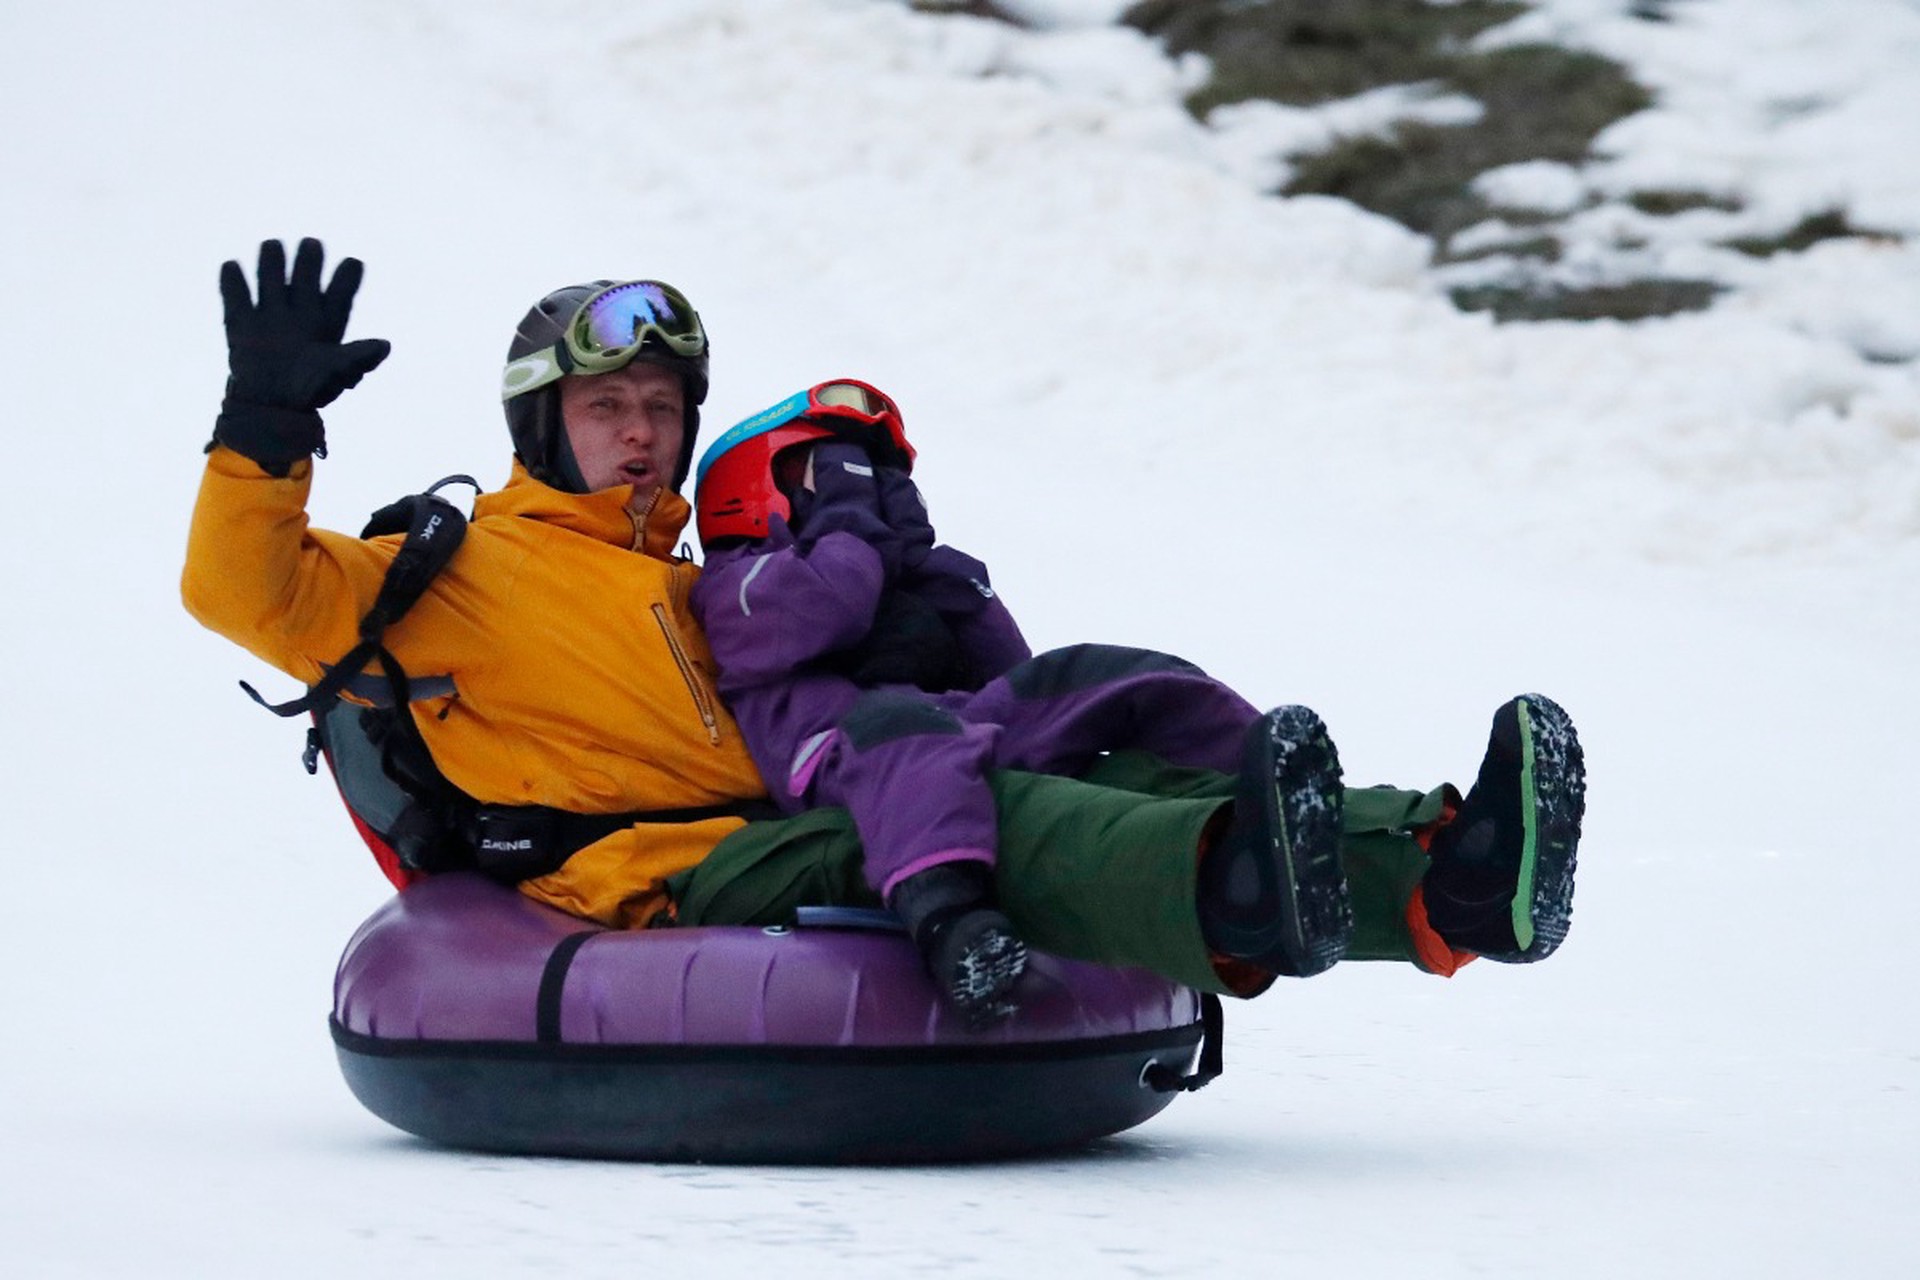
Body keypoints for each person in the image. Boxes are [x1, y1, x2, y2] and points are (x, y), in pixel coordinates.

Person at [183, 238, 1585, 1021]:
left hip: (796, 808)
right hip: (669, 867)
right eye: (609, 410)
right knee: (1010, 821)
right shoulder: (462, 566)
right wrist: (264, 431)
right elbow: (246, 596)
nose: (640, 435)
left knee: (1065, 766)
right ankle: (1232, 888)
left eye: (662, 411)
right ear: (543, 424)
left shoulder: (691, 578)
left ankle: (1443, 873)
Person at [688, 380, 1363, 1018]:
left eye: (879, 476)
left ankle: (1266, 786)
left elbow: (1007, 665)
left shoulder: (884, 568)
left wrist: (931, 568)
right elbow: (833, 595)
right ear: (753, 487)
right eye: (837, 469)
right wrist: (853, 522)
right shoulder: (733, 583)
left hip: (952, 731)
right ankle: (949, 916)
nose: (866, 490)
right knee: (907, 730)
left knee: (1100, 674)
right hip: (842, 751)